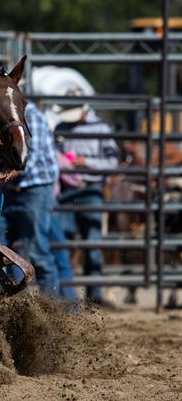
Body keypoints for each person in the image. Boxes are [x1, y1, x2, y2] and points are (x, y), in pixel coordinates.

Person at [55, 103, 120, 306]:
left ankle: (94, 297)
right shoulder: (61, 127)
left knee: (93, 243)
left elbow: (112, 163)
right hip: (67, 190)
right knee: (63, 242)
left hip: (91, 189)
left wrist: (87, 162)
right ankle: (65, 297)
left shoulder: (100, 128)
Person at [0, 101, 61, 299]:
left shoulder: (32, 116)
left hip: (35, 189)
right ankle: (17, 302)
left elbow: (30, 157)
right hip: (13, 189)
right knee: (7, 250)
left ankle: (52, 306)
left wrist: (8, 174)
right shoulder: (6, 114)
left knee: (37, 249)